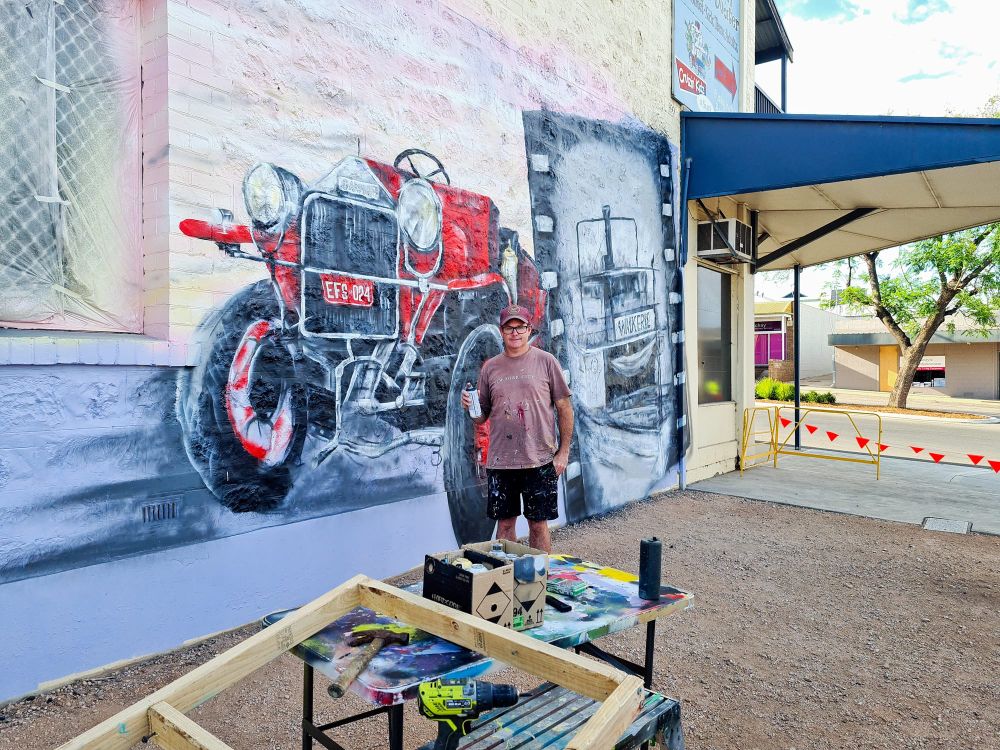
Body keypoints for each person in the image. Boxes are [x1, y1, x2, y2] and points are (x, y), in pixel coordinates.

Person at [461, 304, 574, 553]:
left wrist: (563, 452)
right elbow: (482, 418)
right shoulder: (490, 368)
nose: (515, 332)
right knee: (504, 525)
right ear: (501, 331)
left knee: (538, 524)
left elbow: (565, 407)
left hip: (540, 460)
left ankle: (539, 579)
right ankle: (507, 581)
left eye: (519, 327)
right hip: (501, 462)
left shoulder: (546, 362)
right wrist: (470, 407)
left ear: (528, 329)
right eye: (509, 328)